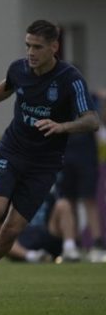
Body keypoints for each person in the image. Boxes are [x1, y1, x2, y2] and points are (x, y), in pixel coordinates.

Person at [0, 19, 100, 298]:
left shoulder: (70, 79)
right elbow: (8, 85)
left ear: (54, 47)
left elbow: (91, 120)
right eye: (27, 46)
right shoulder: (19, 68)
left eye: (37, 47)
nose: (30, 52)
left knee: (12, 229)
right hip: (12, 150)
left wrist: (62, 126)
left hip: (45, 164)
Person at [54, 92, 106, 263]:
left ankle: (97, 244)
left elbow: (99, 121)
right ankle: (73, 244)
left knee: (89, 199)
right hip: (65, 156)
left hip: (86, 158)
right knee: (69, 201)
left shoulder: (89, 99)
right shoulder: (58, 99)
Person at [5, 189, 80, 263]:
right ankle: (32, 256)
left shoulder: (49, 188)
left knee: (63, 204)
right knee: (3, 235)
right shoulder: (17, 193)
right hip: (23, 238)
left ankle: (69, 248)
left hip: (48, 234)